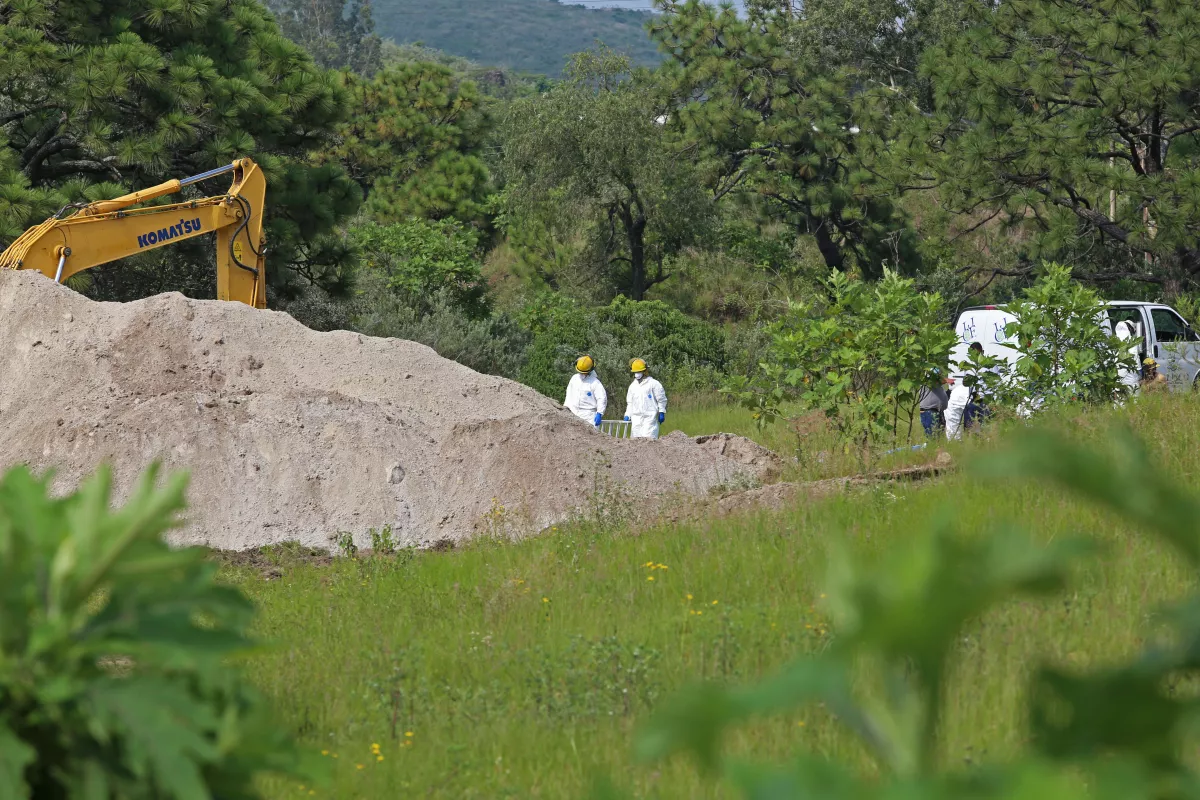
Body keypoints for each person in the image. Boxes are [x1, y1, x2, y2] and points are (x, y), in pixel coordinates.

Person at [623, 358, 668, 440]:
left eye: (639, 371)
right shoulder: (632, 386)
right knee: (635, 444)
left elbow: (661, 399)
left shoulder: (654, 384)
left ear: (644, 371)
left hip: (649, 419)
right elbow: (630, 403)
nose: (637, 374)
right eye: (635, 372)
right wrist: (627, 414)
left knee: (649, 444)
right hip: (636, 419)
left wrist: (661, 411)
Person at [563, 354, 607, 428]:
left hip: (589, 416)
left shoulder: (595, 383)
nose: (582, 374)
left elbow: (602, 398)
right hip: (572, 413)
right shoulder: (574, 379)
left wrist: (599, 413)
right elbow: (569, 395)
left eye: (584, 372)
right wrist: (565, 408)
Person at [917, 371, 950, 437]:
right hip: (929, 411)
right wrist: (948, 380)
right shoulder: (928, 382)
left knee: (939, 435)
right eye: (938, 375)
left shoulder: (937, 385)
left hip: (938, 411)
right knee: (932, 435)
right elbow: (940, 381)